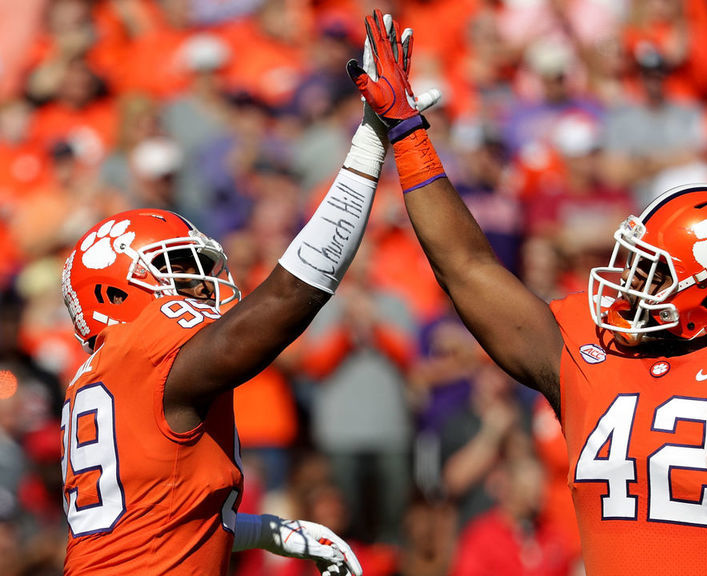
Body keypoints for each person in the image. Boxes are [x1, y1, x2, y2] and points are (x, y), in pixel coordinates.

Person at [350, 9, 707, 575]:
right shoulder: (592, 344)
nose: (629, 284)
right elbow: (466, 268)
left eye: (654, 273)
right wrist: (407, 134)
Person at [58, 17, 439, 574]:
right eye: (175, 273)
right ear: (114, 294)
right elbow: (288, 299)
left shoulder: (102, 379)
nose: (199, 286)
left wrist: (267, 533)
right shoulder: (146, 357)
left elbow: (149, 526)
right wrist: (369, 147)